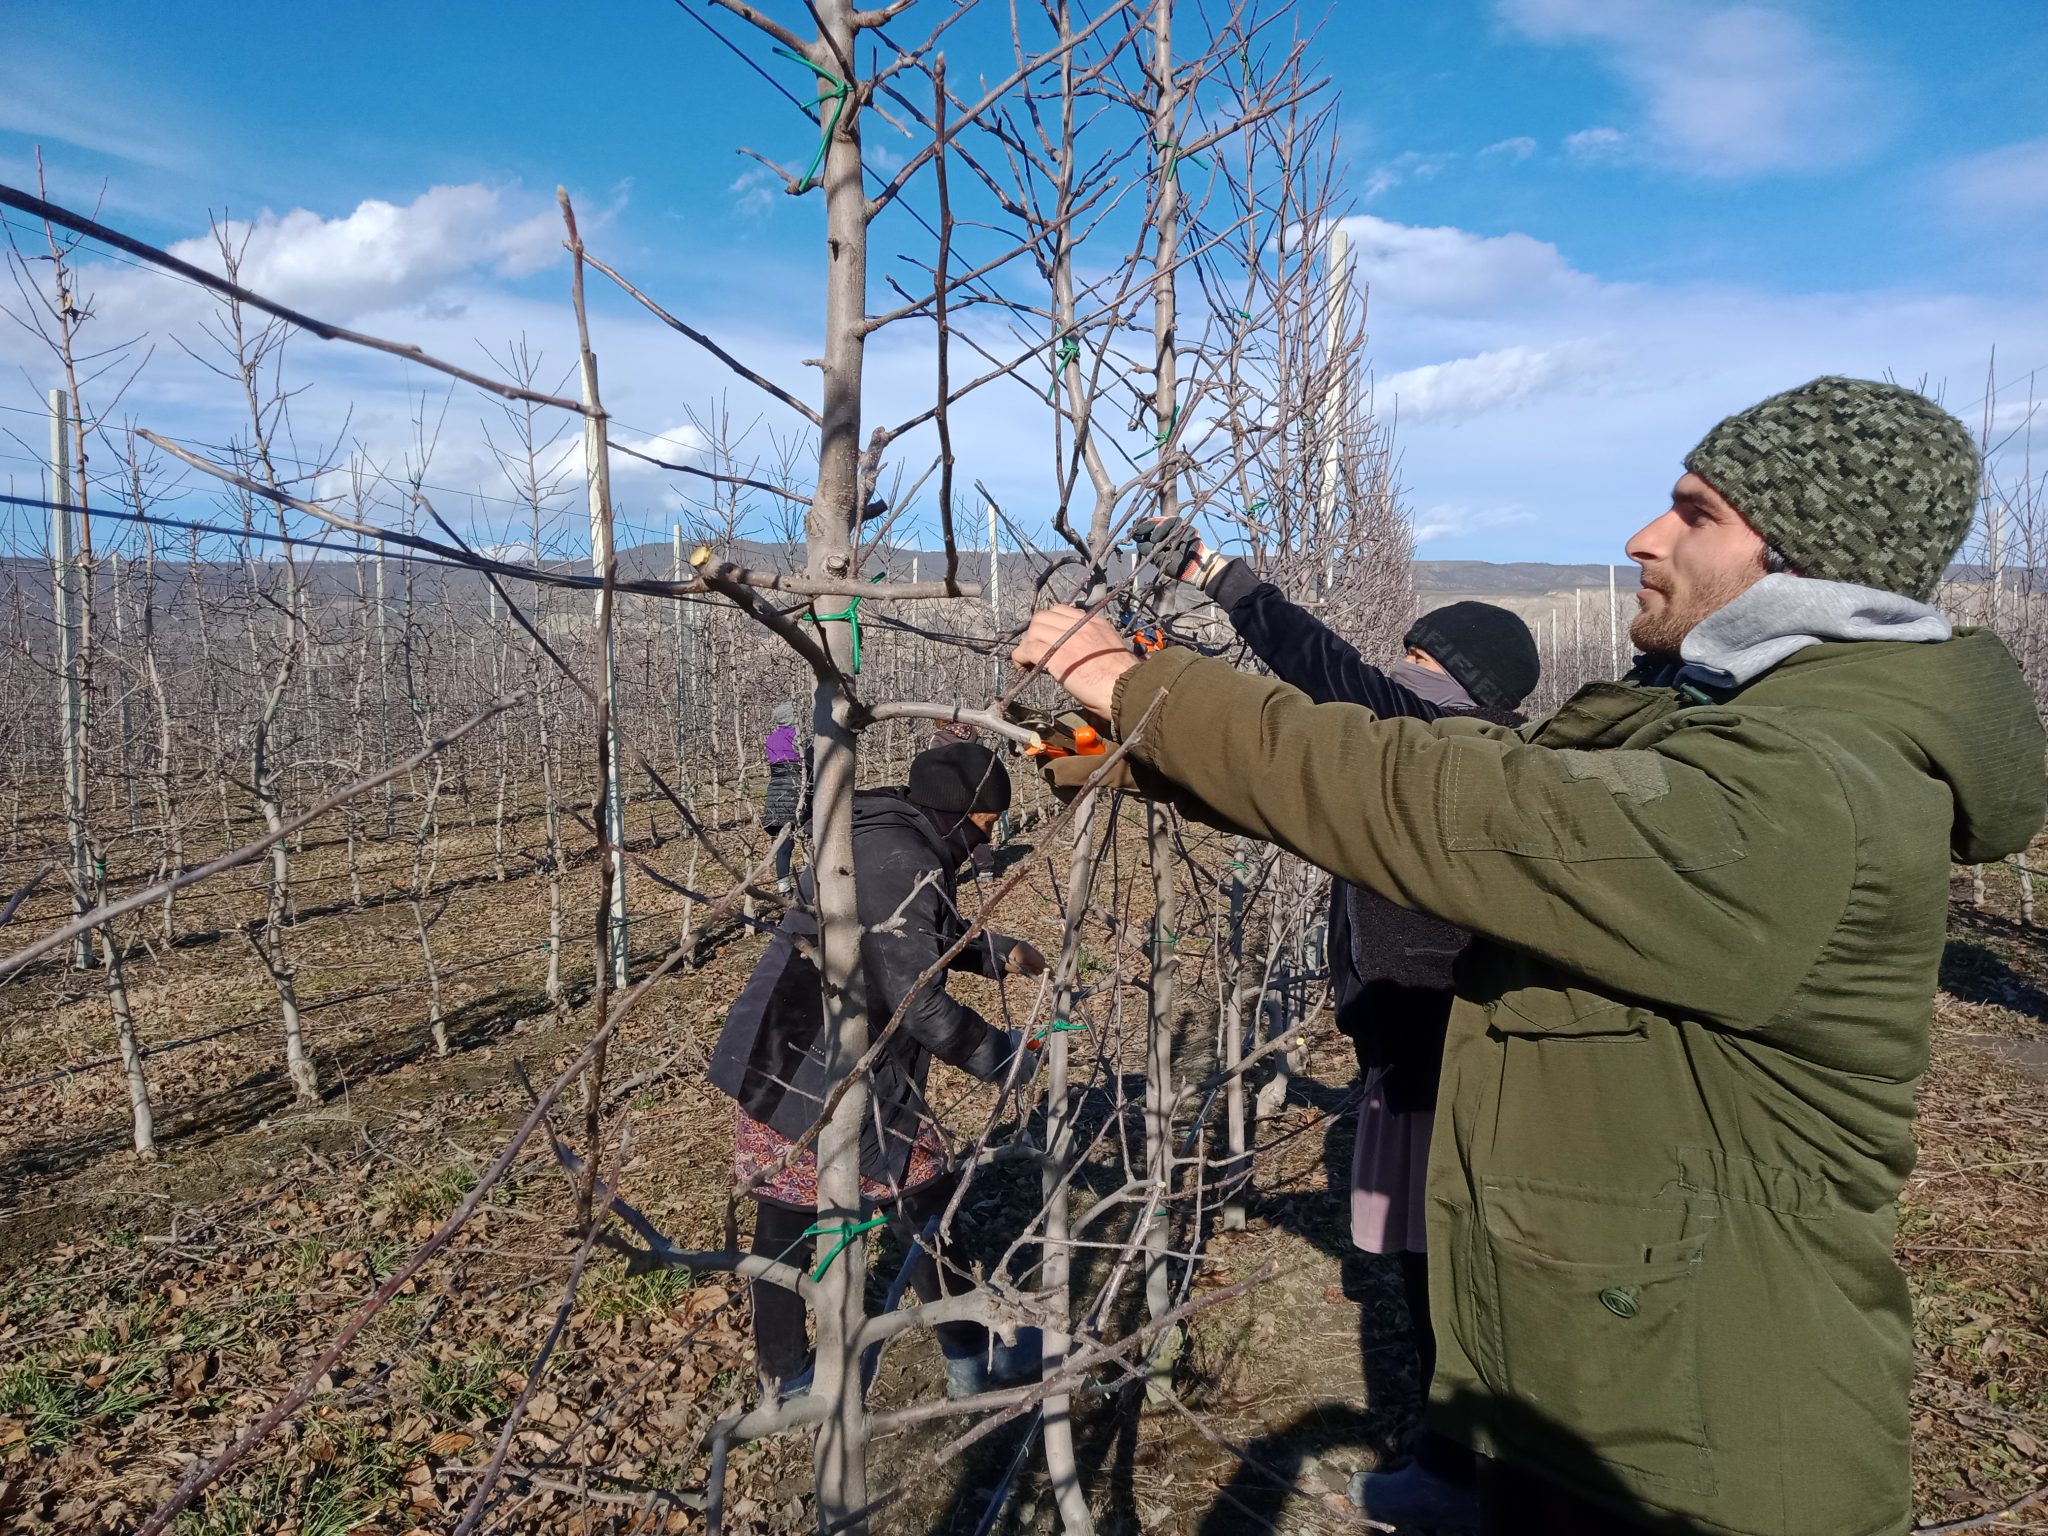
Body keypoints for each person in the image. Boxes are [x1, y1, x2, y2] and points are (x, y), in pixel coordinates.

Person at [1016, 377, 2047, 1536]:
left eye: (1692, 512)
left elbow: (1469, 806)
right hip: (1617, 1388)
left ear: (1801, 558)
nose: (1642, 537)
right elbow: (1497, 817)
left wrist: (1155, 687)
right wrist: (1143, 753)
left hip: (1700, 1460)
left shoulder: (1809, 785)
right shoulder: (1730, 728)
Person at [1134, 514, 1537, 1531]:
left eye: (1412, 659)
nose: (1394, 673)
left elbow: (1319, 671)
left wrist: (1216, 582)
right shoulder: (1489, 762)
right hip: (1443, 1046)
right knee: (1448, 1261)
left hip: (1427, 1049)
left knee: (1436, 1265)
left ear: (1451, 679)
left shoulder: (1427, 742)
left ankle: (1454, 1471)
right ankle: (1466, 1457)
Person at [709, 741, 1049, 1400]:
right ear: (960, 811)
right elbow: (916, 997)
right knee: (924, 1205)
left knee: (784, 1218)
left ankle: (781, 1372)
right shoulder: (904, 857)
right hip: (820, 1062)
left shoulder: (888, 833)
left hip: (781, 1049)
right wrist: (1002, 1057)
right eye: (986, 822)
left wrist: (993, 952)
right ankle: (971, 1364)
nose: (989, 840)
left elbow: (902, 933)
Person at [761, 702, 810, 894]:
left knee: (783, 843)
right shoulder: (799, 737)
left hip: (775, 793)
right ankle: (811, 881)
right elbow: (811, 763)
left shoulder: (771, 739)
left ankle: (783, 885)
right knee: (810, 837)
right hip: (797, 791)